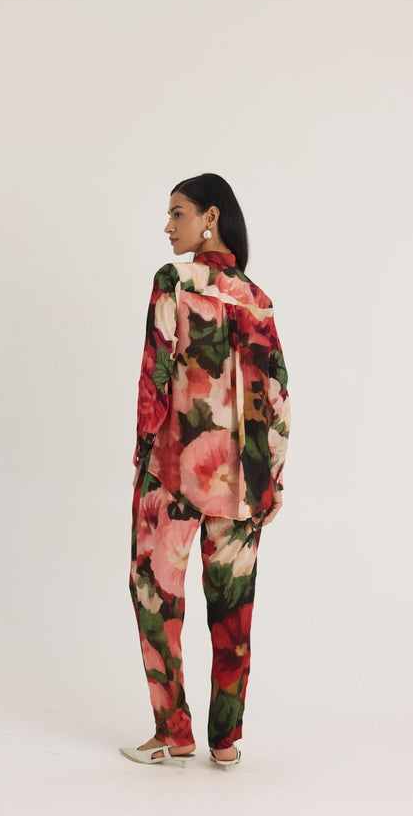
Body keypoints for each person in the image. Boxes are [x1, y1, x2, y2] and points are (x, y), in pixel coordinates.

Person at [120, 173, 290, 769]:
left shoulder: (174, 281)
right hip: (243, 481)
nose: (168, 226)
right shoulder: (257, 298)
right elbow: (276, 395)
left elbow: (156, 374)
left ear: (210, 217)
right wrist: (272, 478)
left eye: (178, 213)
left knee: (154, 594)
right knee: (233, 614)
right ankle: (225, 742)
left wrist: (143, 455)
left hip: (174, 471)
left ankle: (174, 732)